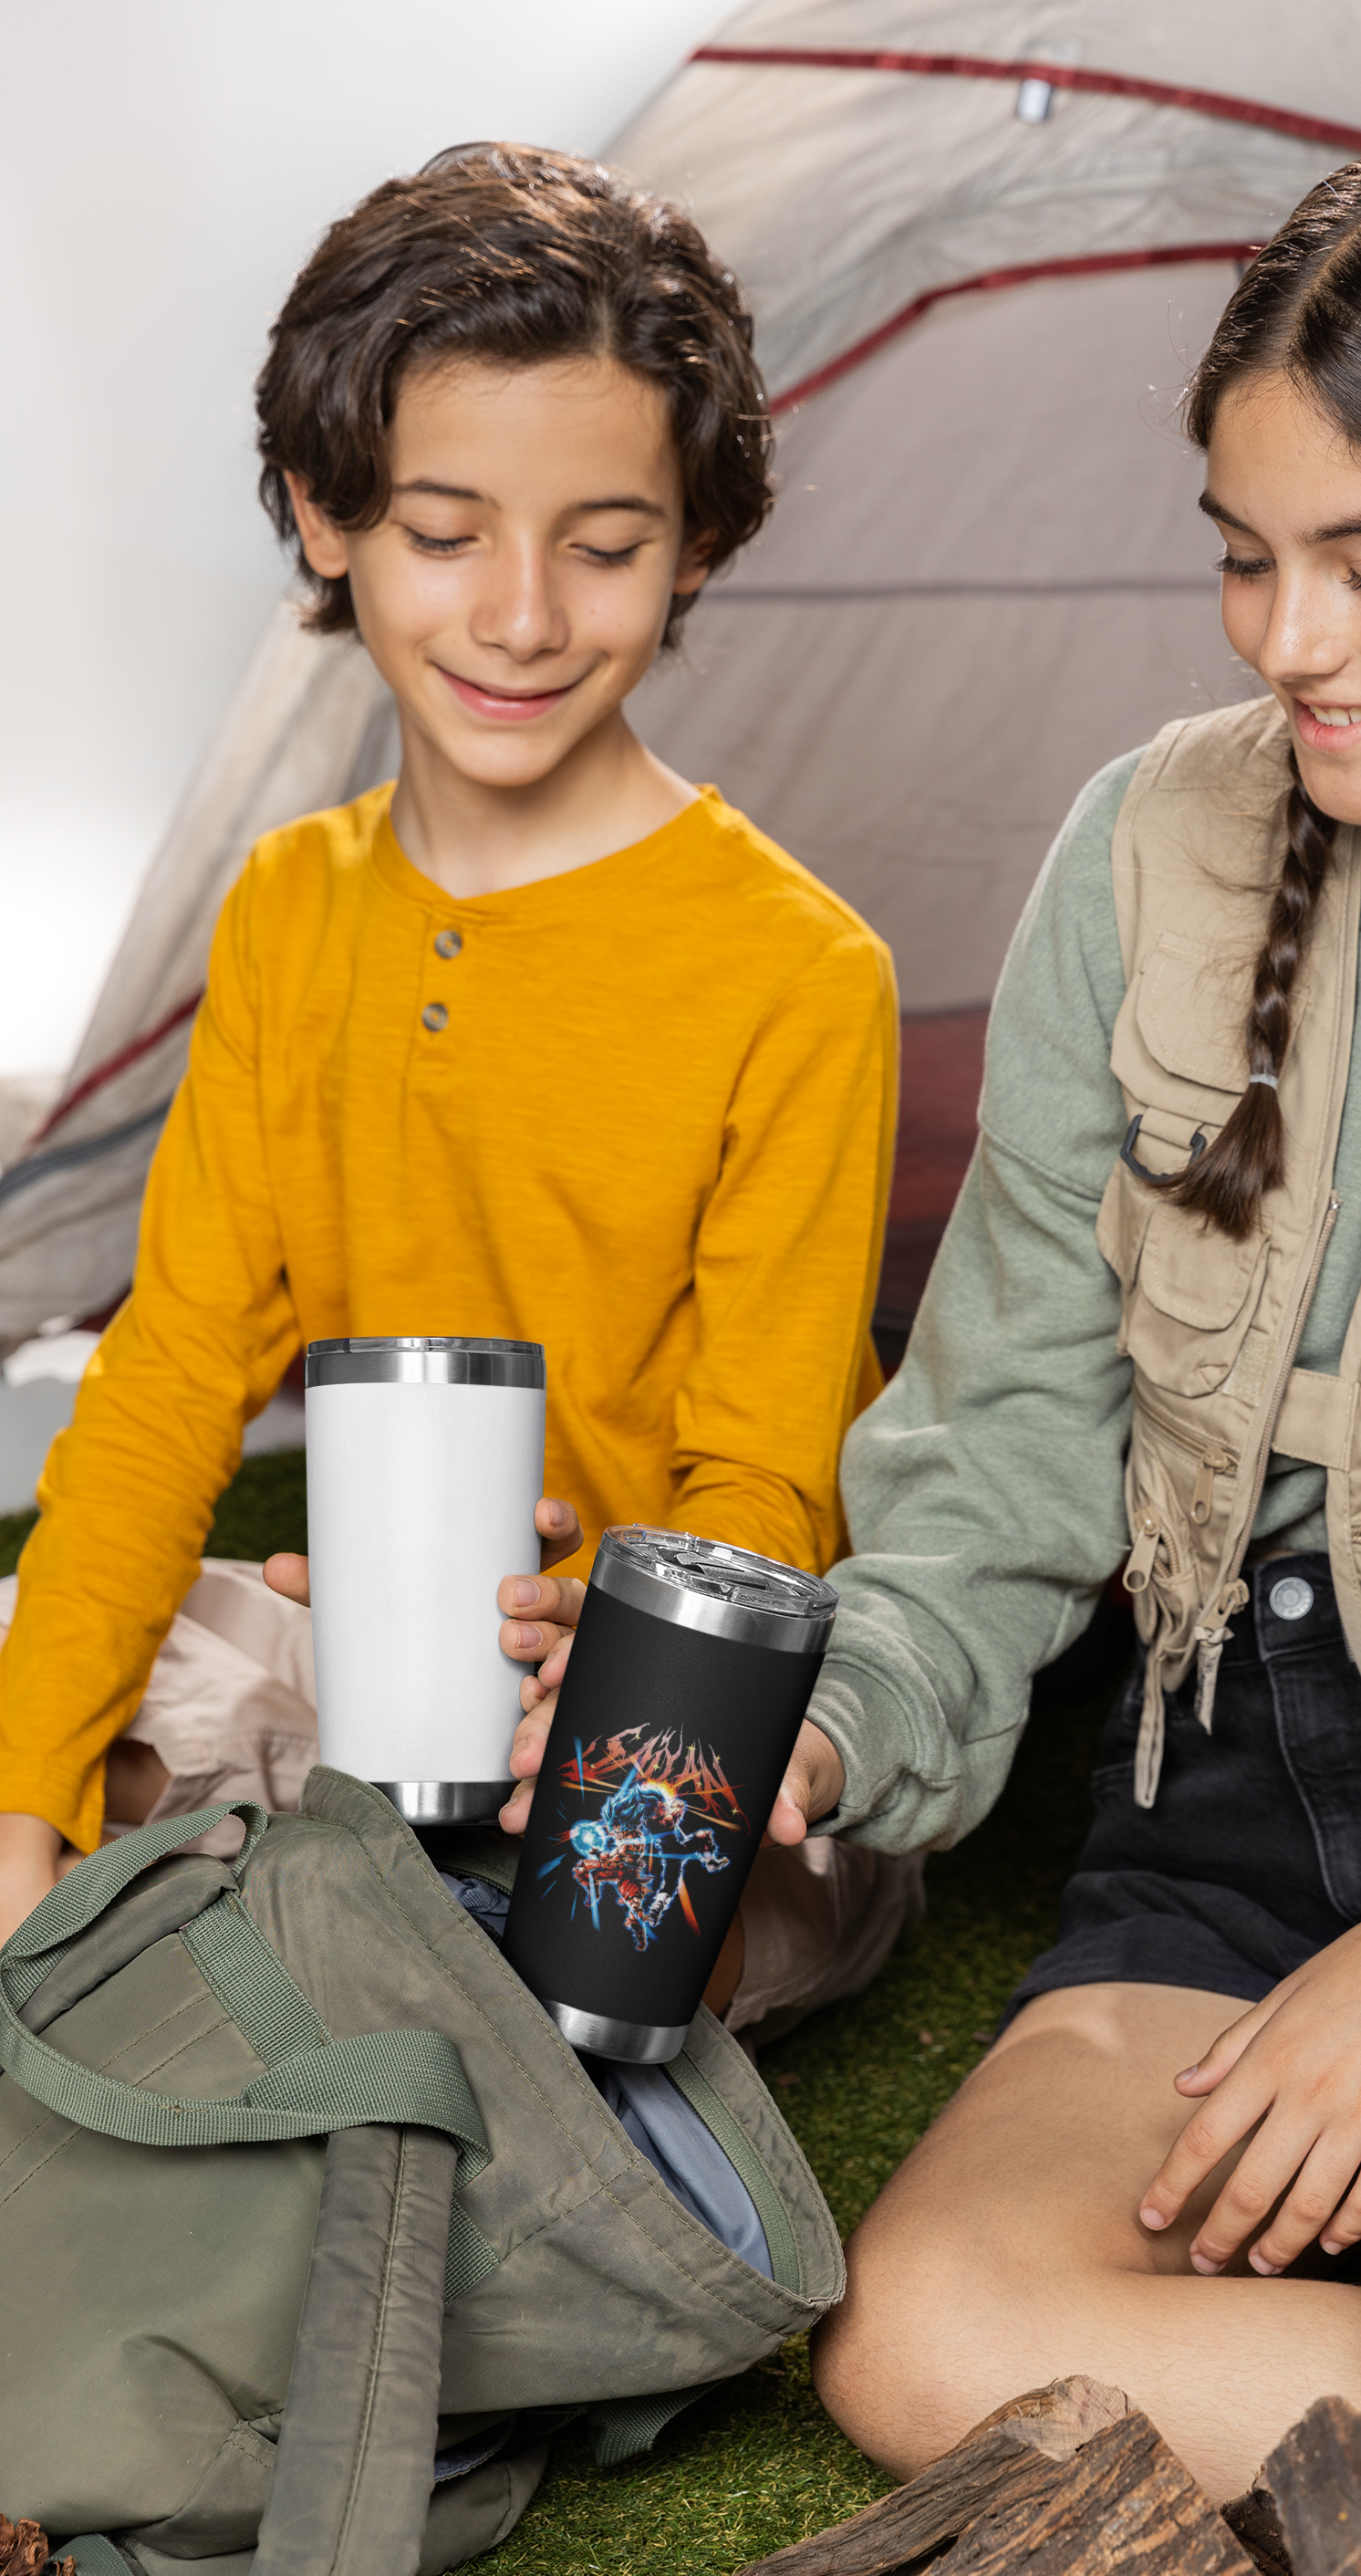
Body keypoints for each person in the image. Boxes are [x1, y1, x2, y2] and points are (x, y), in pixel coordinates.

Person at [512, 128, 1361, 2563]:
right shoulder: (1145, 851)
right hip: (1214, 1831)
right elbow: (1004, 1459)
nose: (1286, 639)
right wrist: (837, 1716)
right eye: (1247, 556)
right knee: (923, 2337)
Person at [0, 144, 920, 2039]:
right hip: (367, 1659)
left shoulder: (798, 971)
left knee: (609, 1941)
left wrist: (609, 1664)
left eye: (602, 544)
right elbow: (175, 1372)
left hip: (680, 1680)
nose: (521, 614)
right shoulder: (290, 909)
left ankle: (464, 1964)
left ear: (693, 546)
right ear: (321, 518)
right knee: (42, 1685)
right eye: (443, 531)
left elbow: (762, 1487)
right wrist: (17, 1804)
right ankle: (324, 1888)